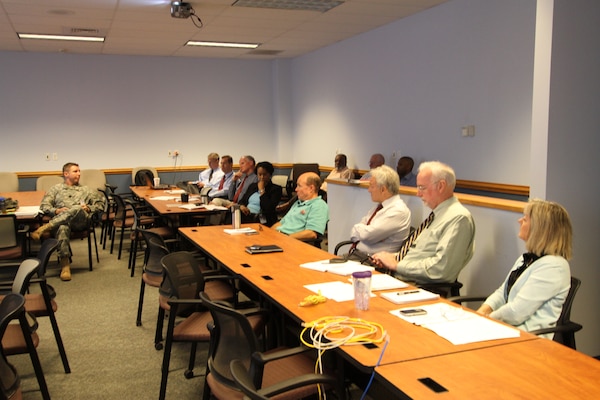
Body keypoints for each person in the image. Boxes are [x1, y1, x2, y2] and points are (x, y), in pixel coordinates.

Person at [476, 199, 572, 335]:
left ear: (540, 229)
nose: (519, 221)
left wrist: (485, 321)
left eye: (525, 219)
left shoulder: (554, 267)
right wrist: (482, 311)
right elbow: (502, 293)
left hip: (527, 339)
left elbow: (517, 312)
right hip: (506, 329)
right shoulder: (526, 259)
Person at [370, 161, 475, 284]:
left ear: (441, 186)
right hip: (401, 280)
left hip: (420, 288)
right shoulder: (436, 215)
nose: (418, 193)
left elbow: (441, 269)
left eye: (422, 187)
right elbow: (418, 254)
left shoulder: (458, 218)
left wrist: (397, 265)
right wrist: (391, 258)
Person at [31, 162, 106, 281]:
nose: (79, 174)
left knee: (76, 208)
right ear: (66, 174)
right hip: (61, 222)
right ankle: (65, 266)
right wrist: (56, 211)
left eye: (79, 171)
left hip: (80, 222)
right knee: (62, 227)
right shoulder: (55, 189)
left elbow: (101, 205)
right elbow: (44, 206)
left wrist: (89, 208)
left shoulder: (85, 190)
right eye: (75, 171)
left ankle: (45, 228)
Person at [345, 165, 411, 260]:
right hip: (358, 256)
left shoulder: (398, 211)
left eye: (371, 186)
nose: (369, 190)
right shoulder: (380, 206)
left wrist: (361, 230)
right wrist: (363, 230)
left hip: (372, 262)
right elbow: (359, 229)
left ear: (383, 189)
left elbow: (367, 235)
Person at [272, 172, 328, 240]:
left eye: (299, 186)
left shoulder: (319, 205)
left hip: (292, 242)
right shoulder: (298, 203)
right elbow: (281, 223)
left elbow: (311, 233)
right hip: (279, 237)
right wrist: (269, 233)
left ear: (311, 188)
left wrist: (285, 238)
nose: (296, 189)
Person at [239, 161, 282, 227]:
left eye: (264, 174)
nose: (262, 177)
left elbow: (268, 208)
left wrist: (262, 190)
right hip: (246, 214)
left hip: (261, 218)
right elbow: (242, 200)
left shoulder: (276, 189)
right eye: (259, 174)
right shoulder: (253, 186)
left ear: (270, 174)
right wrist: (242, 206)